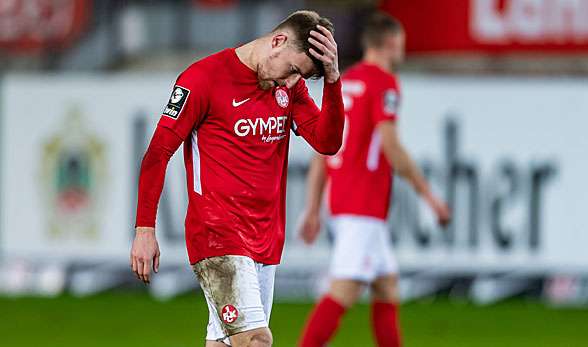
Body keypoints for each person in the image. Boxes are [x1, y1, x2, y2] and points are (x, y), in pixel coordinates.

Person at [130, 10, 344, 347]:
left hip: (265, 238)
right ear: (278, 41)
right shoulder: (202, 78)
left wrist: (332, 81)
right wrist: (144, 229)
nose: (290, 81)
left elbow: (328, 142)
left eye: (299, 75)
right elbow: (157, 154)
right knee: (256, 340)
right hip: (217, 235)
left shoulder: (290, 88)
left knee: (225, 343)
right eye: (291, 69)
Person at [298, 12, 450, 347]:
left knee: (386, 287)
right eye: (402, 46)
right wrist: (429, 196)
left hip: (344, 200)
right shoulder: (384, 83)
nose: (402, 54)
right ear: (391, 43)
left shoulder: (346, 80)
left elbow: (323, 149)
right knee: (343, 291)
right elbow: (392, 146)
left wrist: (312, 207)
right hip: (362, 204)